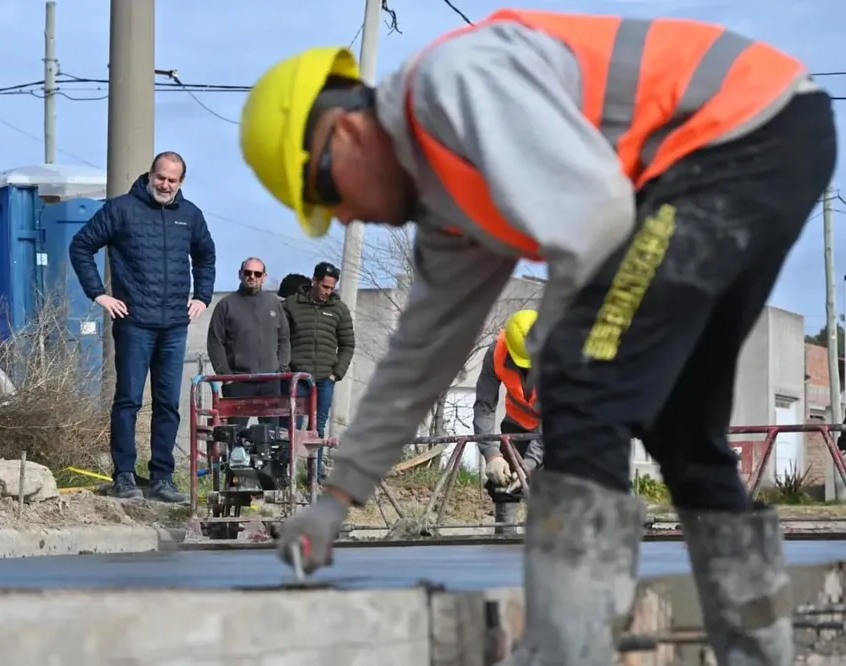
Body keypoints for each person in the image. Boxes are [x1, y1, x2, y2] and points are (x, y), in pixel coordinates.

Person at [238, 10, 837, 665]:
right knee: (682, 426)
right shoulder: (450, 208)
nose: (346, 216)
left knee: (581, 377)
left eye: (328, 194)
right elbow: (419, 360)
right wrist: (336, 501)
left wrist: (569, 348)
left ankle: (567, 646)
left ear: (344, 133)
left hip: (728, 138)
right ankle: (758, 650)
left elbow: (596, 213)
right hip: (770, 133)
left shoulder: (452, 87)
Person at [69, 150, 216, 503]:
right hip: (134, 323)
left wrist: (203, 297)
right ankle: (124, 476)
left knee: (168, 404)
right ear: (149, 175)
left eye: (172, 179)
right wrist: (98, 295)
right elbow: (81, 246)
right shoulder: (121, 209)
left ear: (181, 182)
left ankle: (163, 478)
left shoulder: (190, 215)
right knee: (129, 401)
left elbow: (206, 255)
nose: (165, 184)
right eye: (160, 177)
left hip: (174, 326)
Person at [281, 262, 355, 465]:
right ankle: (285, 473)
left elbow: (348, 344)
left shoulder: (339, 310)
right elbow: (281, 338)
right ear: (314, 281)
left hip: (324, 380)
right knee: (290, 426)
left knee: (318, 428)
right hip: (296, 378)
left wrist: (336, 374)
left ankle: (314, 474)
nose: (327, 292)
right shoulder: (291, 304)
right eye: (324, 286)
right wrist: (286, 368)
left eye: (331, 288)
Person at [206, 257, 290, 427]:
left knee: (271, 438)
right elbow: (215, 342)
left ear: (264, 276)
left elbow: (284, 339)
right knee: (235, 436)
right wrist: (226, 376)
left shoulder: (274, 303)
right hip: (238, 382)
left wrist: (280, 369)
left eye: (257, 273)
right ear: (240, 274)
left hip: (270, 382)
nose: (252, 276)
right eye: (248, 272)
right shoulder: (226, 305)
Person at [474, 310, 544, 494]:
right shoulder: (496, 351)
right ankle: (506, 523)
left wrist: (529, 464)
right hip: (517, 422)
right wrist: (491, 453)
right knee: (502, 485)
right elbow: (484, 405)